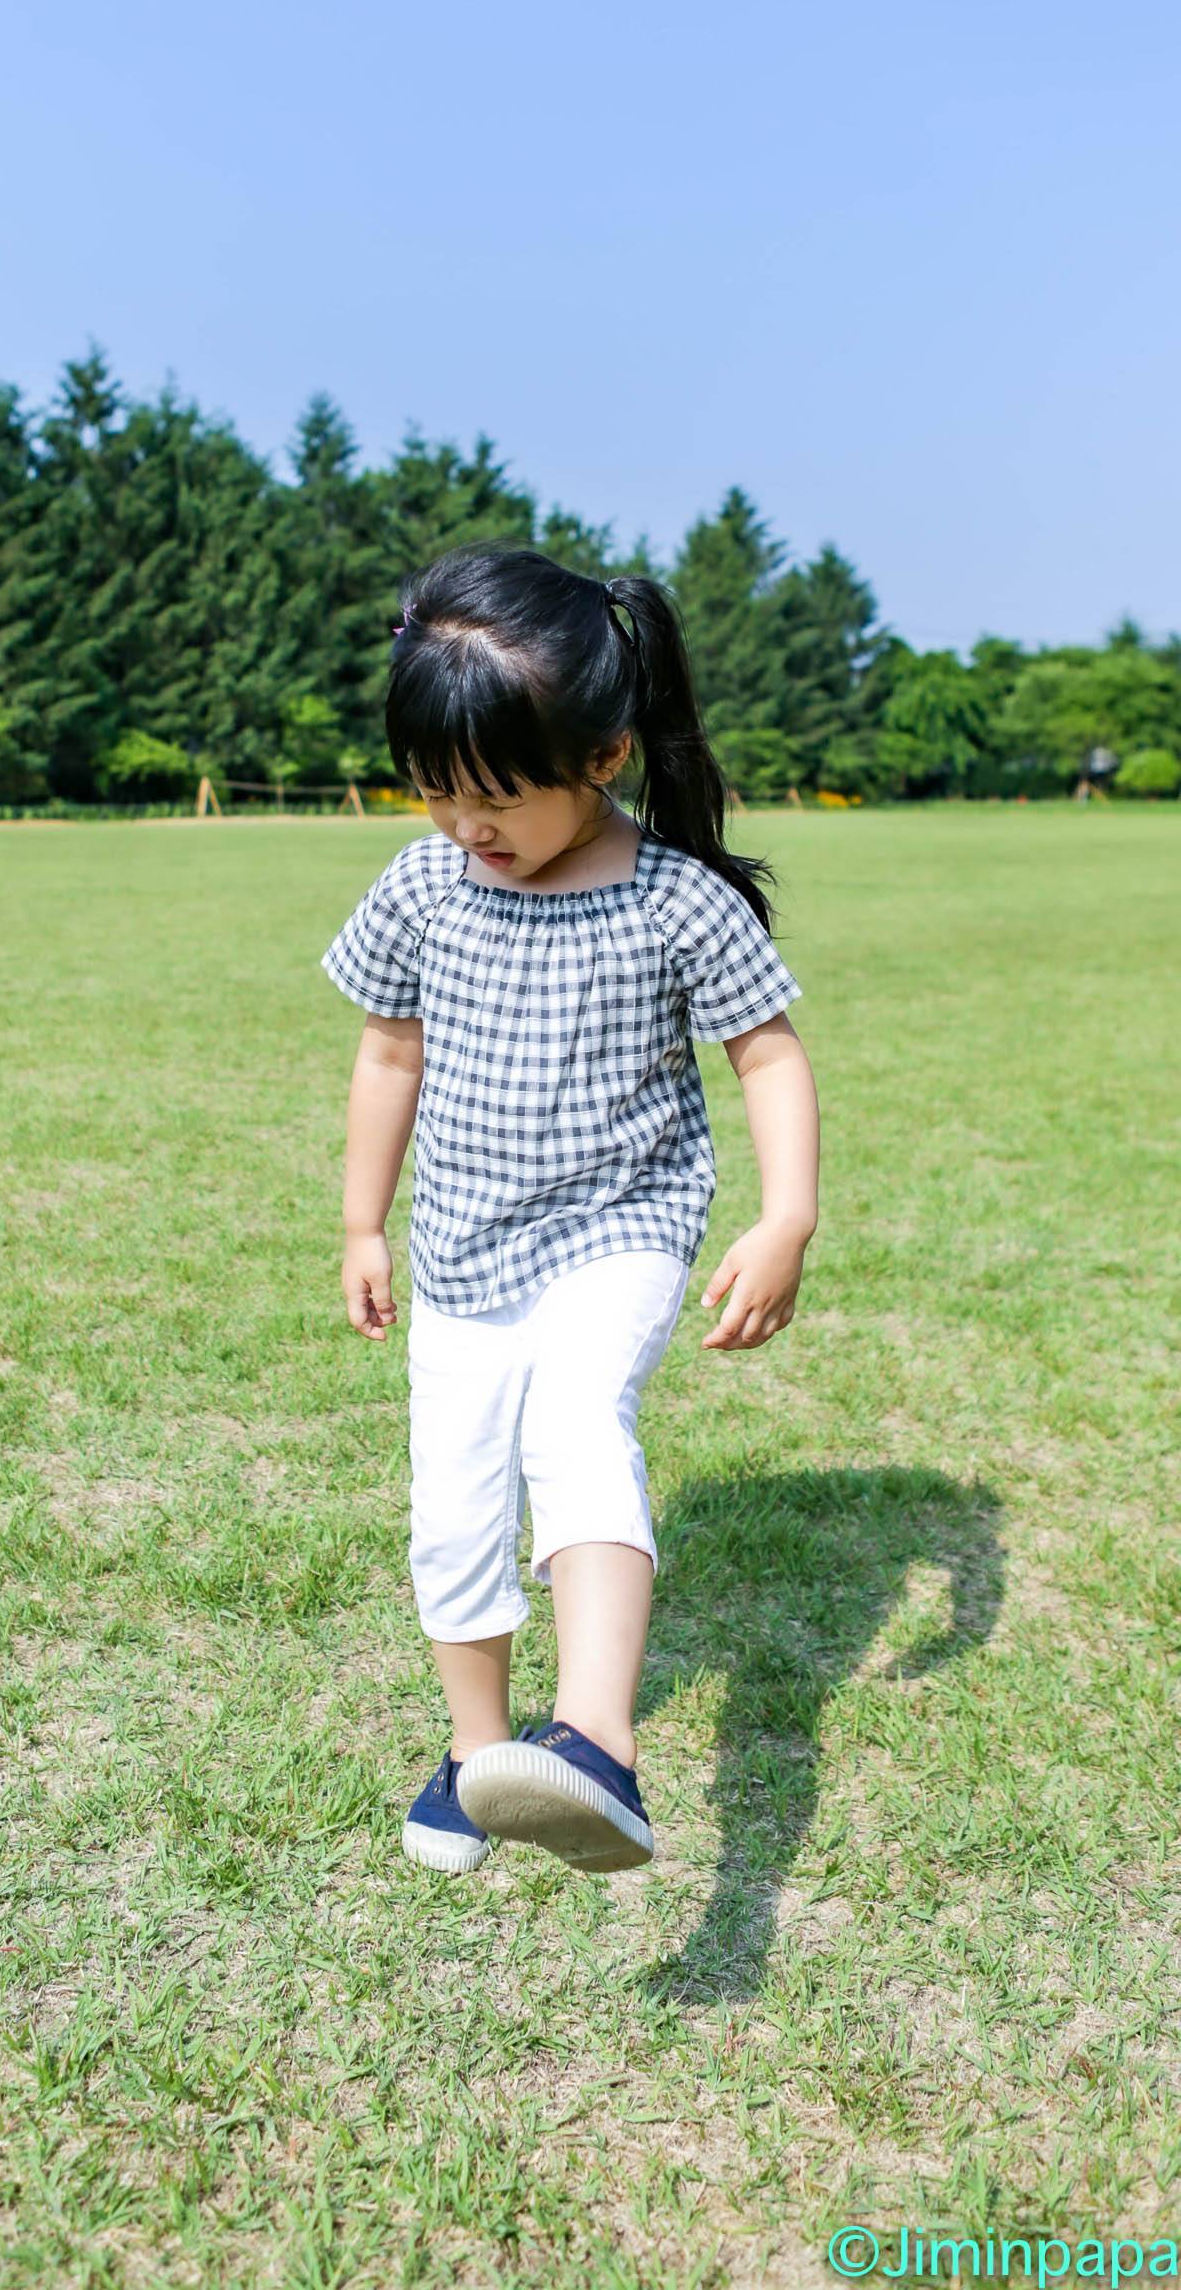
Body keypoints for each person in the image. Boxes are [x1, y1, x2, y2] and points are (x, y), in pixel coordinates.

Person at [321, 544, 820, 1876]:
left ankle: (596, 1739)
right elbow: (388, 1058)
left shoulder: (676, 899)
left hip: (620, 1223)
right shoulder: (422, 886)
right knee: (454, 1502)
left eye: (494, 796)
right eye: (432, 792)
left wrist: (786, 1218)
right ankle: (479, 1758)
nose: (462, 826)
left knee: (576, 1422)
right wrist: (364, 1224)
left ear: (603, 756)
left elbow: (767, 1055)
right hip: (465, 1247)